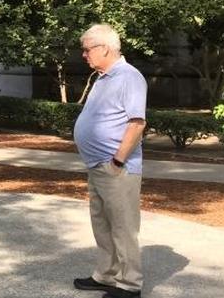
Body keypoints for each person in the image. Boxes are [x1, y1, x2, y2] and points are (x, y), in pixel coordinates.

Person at [72, 24, 147, 298]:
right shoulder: (103, 78)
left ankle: (130, 284)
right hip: (97, 166)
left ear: (104, 48)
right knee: (102, 223)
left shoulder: (129, 77)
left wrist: (117, 161)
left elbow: (136, 124)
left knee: (123, 225)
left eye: (87, 48)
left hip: (117, 168)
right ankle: (106, 275)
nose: (84, 54)